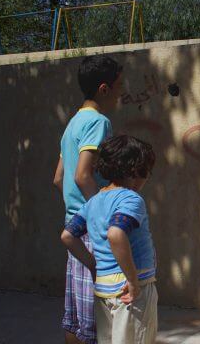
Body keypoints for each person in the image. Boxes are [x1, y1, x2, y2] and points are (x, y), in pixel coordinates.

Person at [53, 55, 124, 343]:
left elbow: (59, 178)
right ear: (104, 89)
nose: (123, 92)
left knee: (76, 319)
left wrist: (78, 215)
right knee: (97, 321)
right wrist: (101, 216)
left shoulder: (72, 123)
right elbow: (83, 175)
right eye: (120, 86)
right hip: (91, 232)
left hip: (75, 227)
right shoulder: (98, 122)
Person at [61, 135, 158, 344]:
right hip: (131, 290)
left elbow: (68, 236)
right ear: (135, 170)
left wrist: (93, 265)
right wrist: (132, 281)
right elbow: (116, 233)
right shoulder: (131, 199)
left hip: (103, 288)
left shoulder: (94, 200)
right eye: (147, 171)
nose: (147, 178)